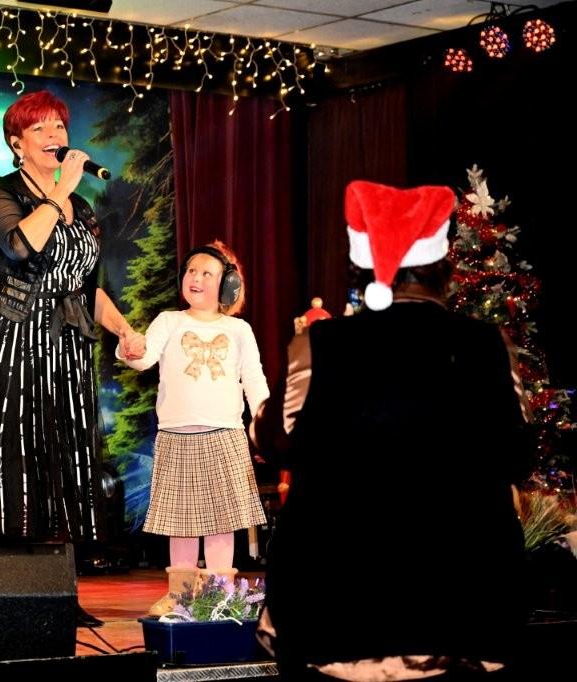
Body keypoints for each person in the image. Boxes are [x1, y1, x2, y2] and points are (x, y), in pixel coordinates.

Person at [254, 181, 531, 679]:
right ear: (442, 266)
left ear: (362, 267)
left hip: (337, 618)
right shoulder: (487, 344)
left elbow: (274, 442)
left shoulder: (320, 344)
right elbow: (519, 454)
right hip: (468, 618)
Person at [0, 90, 144, 553]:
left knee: (63, 457)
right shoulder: (2, 191)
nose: (53, 135)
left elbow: (87, 287)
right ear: (17, 143)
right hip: (13, 338)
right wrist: (60, 191)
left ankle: (49, 581)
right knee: (4, 453)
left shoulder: (84, 210)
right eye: (39, 128)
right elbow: (20, 246)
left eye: (58, 125)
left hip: (66, 346)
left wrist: (124, 330)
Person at [118, 240, 269, 615]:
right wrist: (130, 349)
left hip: (225, 436)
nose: (196, 278)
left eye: (207, 273)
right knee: (180, 523)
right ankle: (181, 596)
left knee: (221, 523)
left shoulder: (238, 330)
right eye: (191, 271)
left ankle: (221, 596)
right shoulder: (169, 321)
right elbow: (144, 357)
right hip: (177, 437)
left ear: (228, 284)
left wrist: (266, 423)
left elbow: (253, 380)